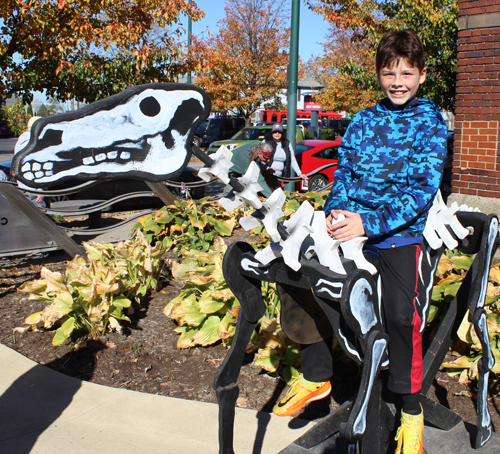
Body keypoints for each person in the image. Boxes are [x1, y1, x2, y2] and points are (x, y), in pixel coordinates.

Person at [272, 30, 447, 454]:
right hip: (351, 226)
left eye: (407, 72)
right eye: (390, 73)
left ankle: (410, 412)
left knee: (402, 315)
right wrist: (336, 211)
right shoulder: (365, 120)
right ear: (378, 75)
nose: (398, 81)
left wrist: (366, 223)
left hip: (398, 236)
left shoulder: (429, 123)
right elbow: (344, 174)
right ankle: (317, 375)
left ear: (422, 75)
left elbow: (420, 193)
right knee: (295, 265)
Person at [14, 116, 46, 207]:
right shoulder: (35, 143)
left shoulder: (20, 141)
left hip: (23, 186)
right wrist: (40, 190)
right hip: (34, 190)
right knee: (42, 218)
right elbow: (36, 166)